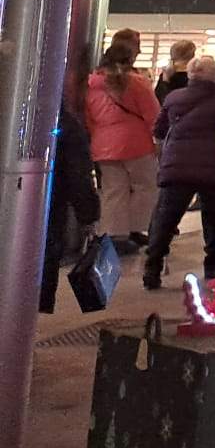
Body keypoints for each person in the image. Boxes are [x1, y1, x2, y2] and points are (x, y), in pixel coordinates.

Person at [144, 55, 215, 289]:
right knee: (214, 217)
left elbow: (159, 129)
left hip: (177, 166)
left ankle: (152, 268)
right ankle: (212, 264)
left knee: (166, 217)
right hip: (212, 166)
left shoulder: (174, 98)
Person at [86, 39, 160, 251]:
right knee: (144, 186)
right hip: (136, 142)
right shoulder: (136, 83)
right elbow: (152, 113)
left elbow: (88, 117)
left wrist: (97, 137)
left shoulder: (91, 84)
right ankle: (137, 228)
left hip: (103, 144)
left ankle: (114, 233)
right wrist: (158, 139)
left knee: (112, 190)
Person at [40, 57, 101, 314]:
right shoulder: (64, 123)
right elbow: (78, 174)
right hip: (45, 213)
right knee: (37, 268)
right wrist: (89, 215)